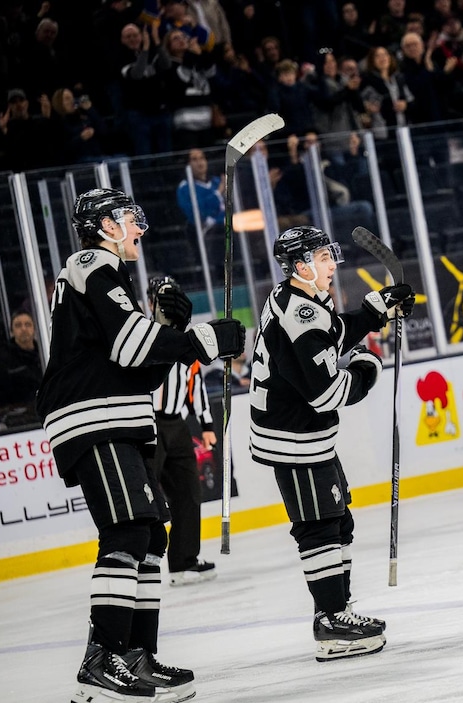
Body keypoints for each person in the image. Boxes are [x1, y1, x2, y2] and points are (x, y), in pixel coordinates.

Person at [39, 188, 244, 703]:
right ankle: (102, 659)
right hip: (93, 419)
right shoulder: (90, 265)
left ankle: (135, 656)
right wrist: (201, 340)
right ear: (105, 224)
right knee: (128, 530)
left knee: (151, 536)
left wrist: (175, 332)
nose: (138, 228)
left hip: (117, 418)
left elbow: (139, 367)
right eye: (129, 218)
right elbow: (131, 344)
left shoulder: (110, 275)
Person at [248, 225, 415, 662]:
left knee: (337, 522)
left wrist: (375, 310)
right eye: (323, 258)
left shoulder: (301, 298)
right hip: (293, 437)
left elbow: (332, 334)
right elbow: (326, 392)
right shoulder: (298, 314)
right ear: (301, 266)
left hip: (307, 433)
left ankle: (339, 611)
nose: (331, 264)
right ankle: (331, 620)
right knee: (319, 527)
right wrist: (369, 368)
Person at [145, 275, 219, 587]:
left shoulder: (187, 342)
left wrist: (206, 425)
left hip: (175, 424)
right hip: (147, 424)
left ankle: (184, 560)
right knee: (145, 497)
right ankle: (141, 562)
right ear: (151, 302)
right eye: (162, 297)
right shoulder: (143, 335)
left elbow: (196, 385)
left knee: (189, 492)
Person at [0, 311, 43, 427]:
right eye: (18, 325)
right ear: (12, 332)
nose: (24, 329)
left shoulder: (44, 352)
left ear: (34, 328)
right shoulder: (3, 360)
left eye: (28, 324)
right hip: (19, 419)